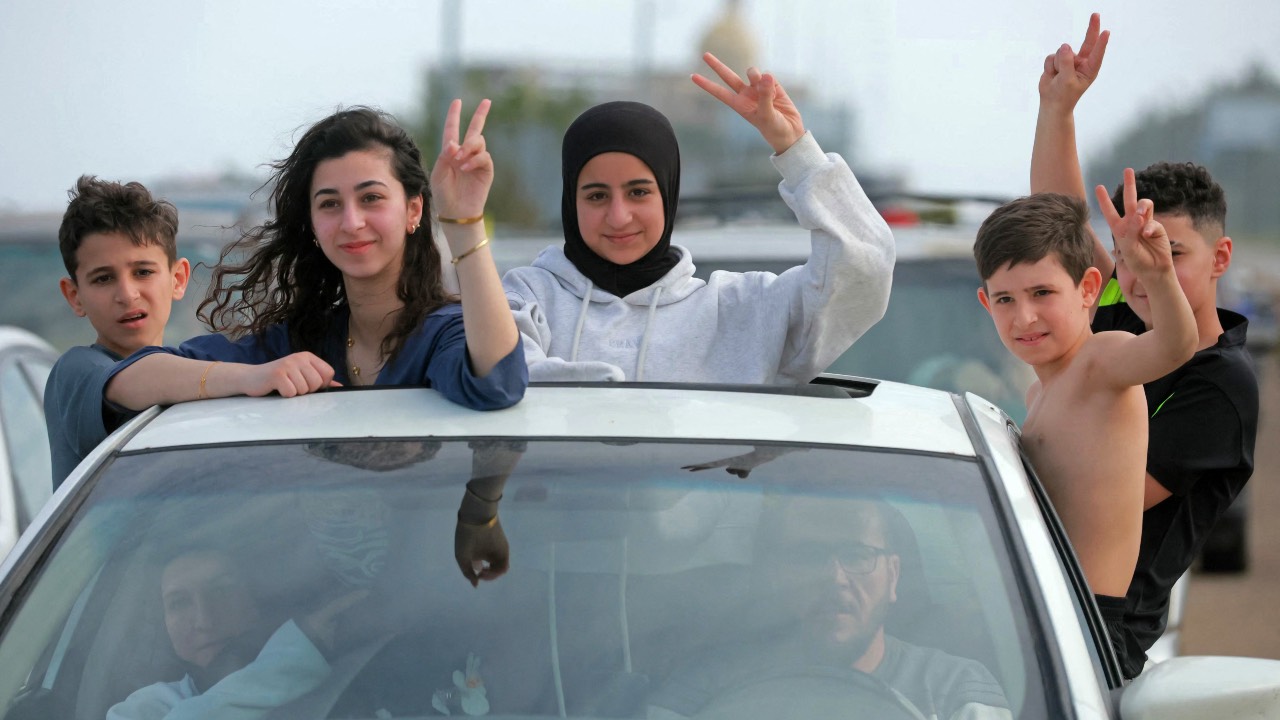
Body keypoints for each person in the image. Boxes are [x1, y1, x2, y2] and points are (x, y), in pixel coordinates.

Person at [1030, 14, 1259, 678]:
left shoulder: (1221, 385)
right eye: (1128, 255)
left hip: (1101, 638)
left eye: (1166, 253)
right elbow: (1059, 223)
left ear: (1220, 257)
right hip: (1033, 593)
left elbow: (1100, 499)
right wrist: (1058, 108)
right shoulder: (1122, 316)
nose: (1136, 273)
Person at [103, 102, 524, 412]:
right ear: (312, 222)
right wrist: (254, 376)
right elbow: (127, 382)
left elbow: (498, 383)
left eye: (371, 197)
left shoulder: (442, 334)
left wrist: (465, 220)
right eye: (329, 204)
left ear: (414, 209)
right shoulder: (296, 344)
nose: (351, 222)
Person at [503, 52, 894, 383]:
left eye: (639, 192)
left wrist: (798, 154)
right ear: (571, 201)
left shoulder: (741, 312)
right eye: (596, 195)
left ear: (668, 194)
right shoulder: (527, 297)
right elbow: (504, 375)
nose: (619, 216)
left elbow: (865, 269)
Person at [973, 183, 1198, 672]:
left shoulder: (1102, 361)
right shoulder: (1036, 396)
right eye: (1005, 299)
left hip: (1091, 625)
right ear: (986, 304)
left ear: (1089, 289)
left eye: (1042, 293)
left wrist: (1158, 275)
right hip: (1041, 618)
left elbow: (1177, 345)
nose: (1024, 316)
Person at [646, 498, 1011, 720]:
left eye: (857, 555)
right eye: (808, 556)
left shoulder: (957, 692)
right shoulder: (702, 690)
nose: (834, 577)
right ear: (775, 575)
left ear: (893, 575)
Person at [44, 176, 192, 489]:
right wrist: (255, 375)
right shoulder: (75, 372)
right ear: (74, 296)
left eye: (143, 272)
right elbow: (135, 381)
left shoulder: (186, 371)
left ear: (177, 278)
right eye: (103, 279)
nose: (126, 294)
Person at [108, 547, 364, 720]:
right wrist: (294, 658)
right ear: (162, 623)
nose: (205, 620)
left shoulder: (354, 674)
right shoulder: (144, 709)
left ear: (256, 600)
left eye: (222, 591)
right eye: (179, 602)